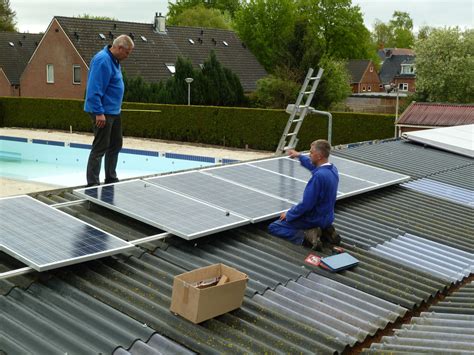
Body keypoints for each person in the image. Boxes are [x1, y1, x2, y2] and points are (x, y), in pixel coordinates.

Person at [268, 139, 340, 250]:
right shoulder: (332, 169)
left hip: (313, 218)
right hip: (327, 217)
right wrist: (299, 156)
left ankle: (307, 237)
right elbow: (314, 166)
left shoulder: (318, 177)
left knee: (274, 227)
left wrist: (289, 214)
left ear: (319, 155)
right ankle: (325, 231)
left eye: (311, 152)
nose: (309, 155)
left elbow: (306, 204)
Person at [84, 34, 134, 187]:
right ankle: (92, 183)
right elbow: (94, 89)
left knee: (115, 145)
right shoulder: (102, 60)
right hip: (103, 113)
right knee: (100, 147)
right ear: (119, 48)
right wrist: (99, 112)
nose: (128, 55)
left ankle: (111, 177)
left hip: (114, 112)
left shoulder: (115, 61)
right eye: (127, 52)